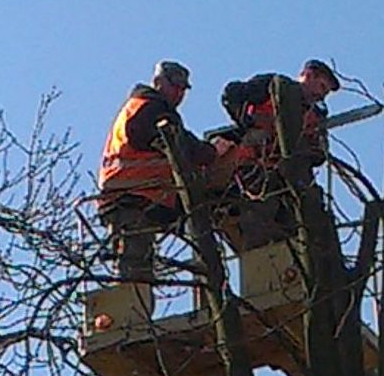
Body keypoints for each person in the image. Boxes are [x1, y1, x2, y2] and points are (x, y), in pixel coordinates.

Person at [97, 61, 216, 282]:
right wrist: (212, 152)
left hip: (134, 195)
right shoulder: (150, 109)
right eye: (175, 86)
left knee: (136, 264)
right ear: (158, 82)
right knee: (135, 270)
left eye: (183, 89)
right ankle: (133, 311)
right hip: (132, 196)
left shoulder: (142, 107)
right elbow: (182, 145)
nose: (179, 94)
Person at [219, 59, 340, 187]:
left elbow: (319, 155)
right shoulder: (276, 87)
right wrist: (249, 121)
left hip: (280, 174)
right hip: (248, 161)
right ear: (308, 75)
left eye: (325, 92)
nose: (321, 95)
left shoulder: (316, 115)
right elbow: (232, 94)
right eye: (321, 86)